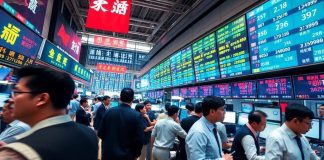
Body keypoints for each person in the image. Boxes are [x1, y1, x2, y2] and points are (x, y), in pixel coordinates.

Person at [0, 66, 98, 159]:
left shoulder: (19, 151)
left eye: (17, 92)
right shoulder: (90, 134)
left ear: (42, 99)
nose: (11, 100)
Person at [98, 88, 145, 160]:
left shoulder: (108, 111)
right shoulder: (137, 115)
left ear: (120, 98)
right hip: (127, 155)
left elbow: (100, 133)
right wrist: (136, 154)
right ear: (132, 99)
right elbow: (139, 139)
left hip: (108, 154)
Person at [185, 96, 232, 160]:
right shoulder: (198, 132)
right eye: (222, 109)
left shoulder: (213, 126)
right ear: (212, 112)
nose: (225, 112)